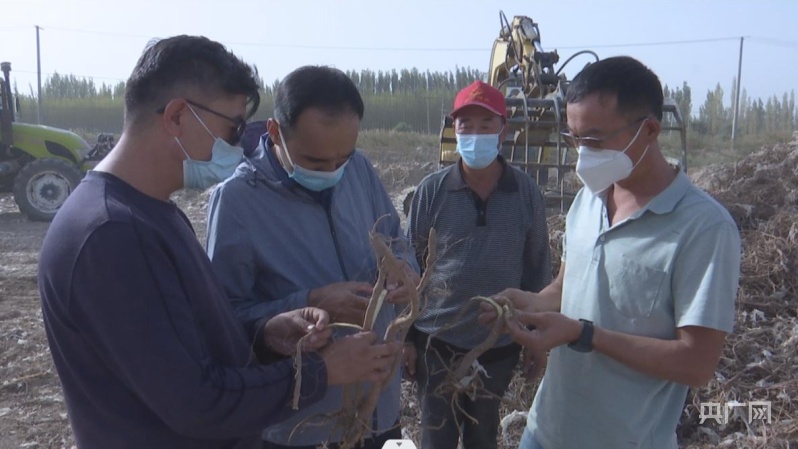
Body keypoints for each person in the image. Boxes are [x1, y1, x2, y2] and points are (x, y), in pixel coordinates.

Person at [38, 36, 400, 449]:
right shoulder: (112, 235)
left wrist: (265, 333)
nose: (236, 146)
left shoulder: (150, 215)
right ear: (177, 116)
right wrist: (322, 370)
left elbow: (190, 342)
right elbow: (196, 402)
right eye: (232, 128)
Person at [482, 56, 741, 449]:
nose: (582, 154)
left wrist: (585, 334)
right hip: (544, 432)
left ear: (649, 130)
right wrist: (531, 302)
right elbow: (567, 286)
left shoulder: (704, 228)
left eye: (594, 140)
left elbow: (696, 363)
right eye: (574, 138)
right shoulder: (587, 202)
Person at [205, 65, 420, 449]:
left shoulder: (360, 170)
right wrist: (310, 302)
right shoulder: (237, 200)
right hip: (303, 426)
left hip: (377, 410)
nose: (334, 171)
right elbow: (225, 319)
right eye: (317, 163)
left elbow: (395, 240)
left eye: (343, 157)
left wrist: (403, 269)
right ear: (275, 132)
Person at [404, 80, 552, 449]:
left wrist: (536, 339)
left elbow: (537, 269)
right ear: (454, 130)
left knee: (482, 435)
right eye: (465, 125)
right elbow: (410, 270)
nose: (474, 134)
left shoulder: (525, 192)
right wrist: (407, 338)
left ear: (504, 131)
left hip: (498, 343)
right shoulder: (431, 191)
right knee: (436, 437)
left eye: (485, 125)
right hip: (436, 341)